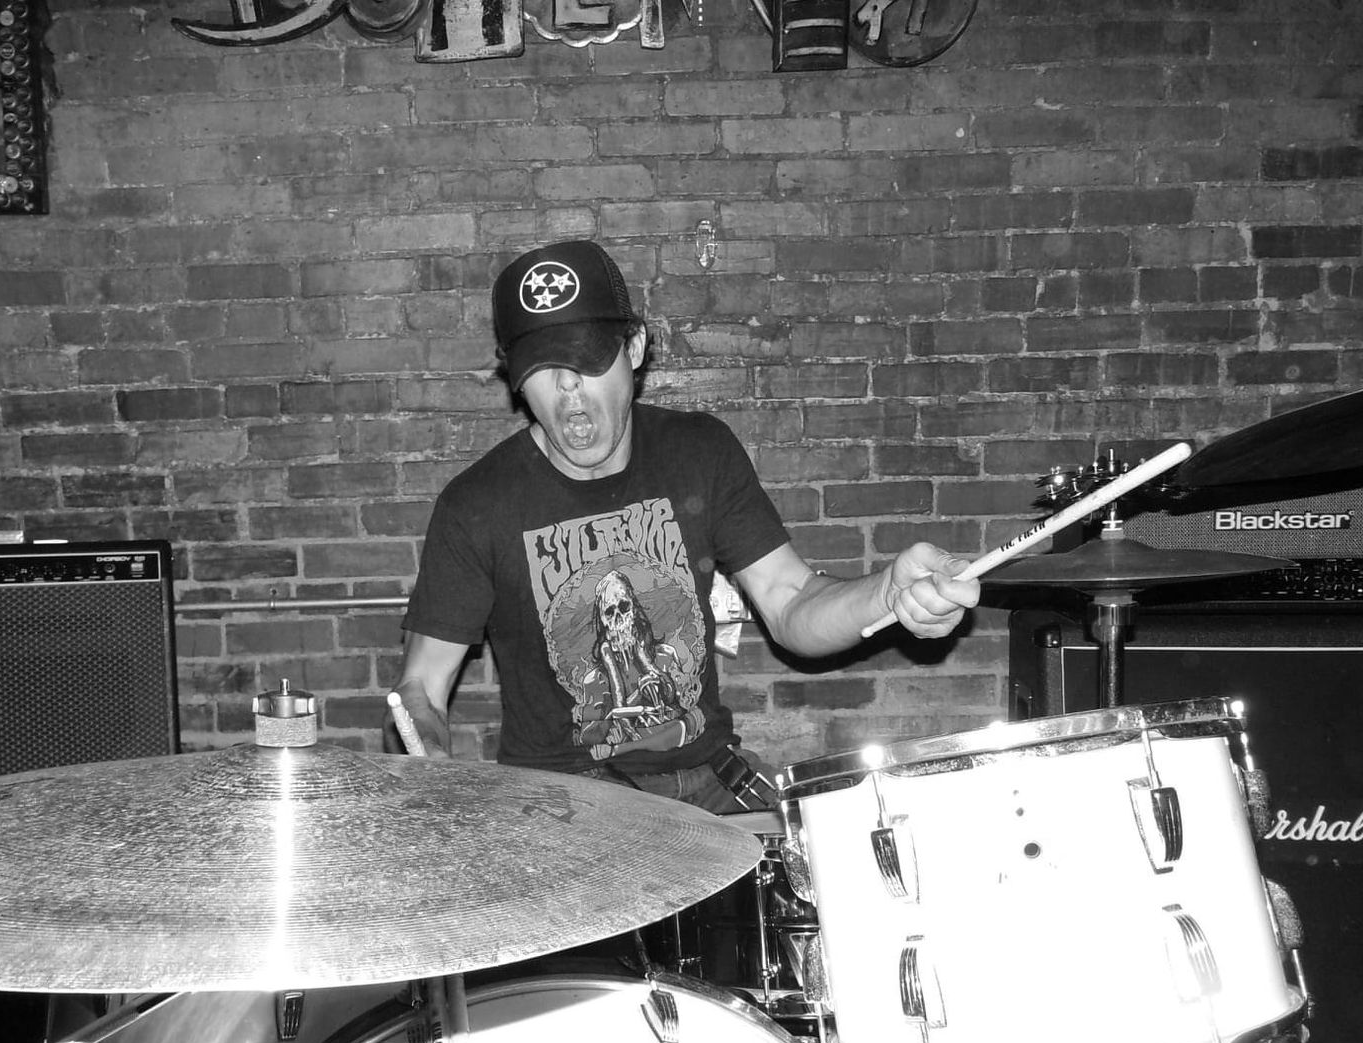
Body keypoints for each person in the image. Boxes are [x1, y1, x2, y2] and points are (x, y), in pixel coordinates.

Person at [388, 239, 981, 813]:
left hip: (710, 781)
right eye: (543, 365)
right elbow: (421, 688)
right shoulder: (477, 505)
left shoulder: (699, 452)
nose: (568, 385)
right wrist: (429, 757)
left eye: (587, 358)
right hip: (566, 803)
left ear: (635, 347)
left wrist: (888, 594)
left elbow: (790, 598)